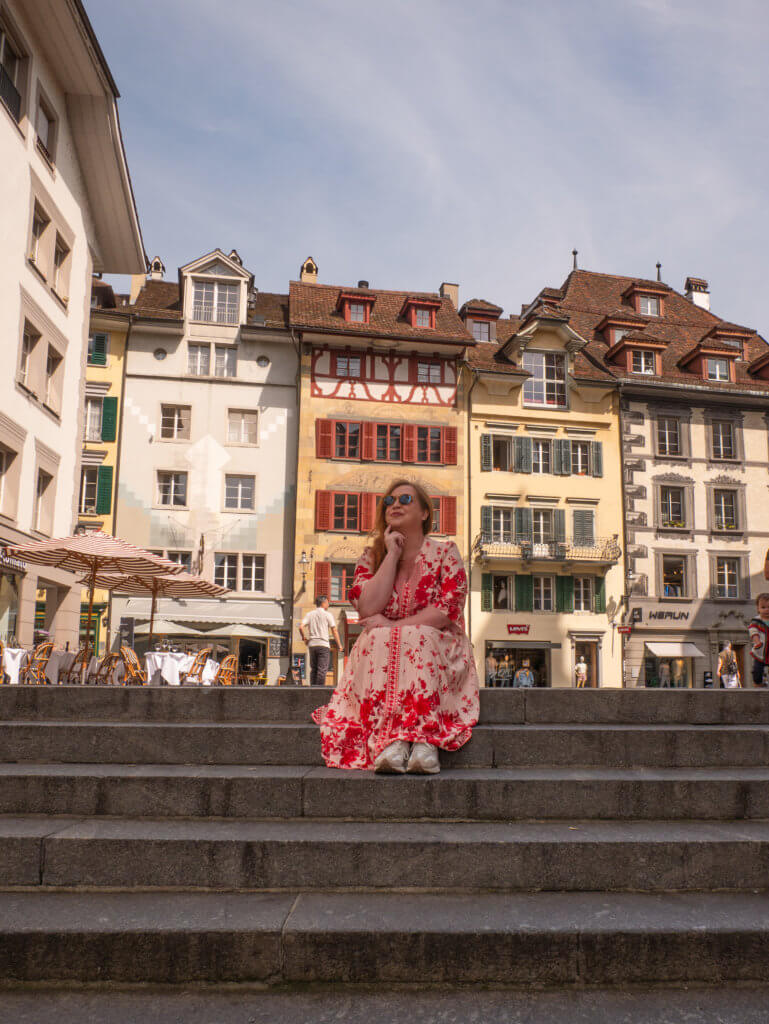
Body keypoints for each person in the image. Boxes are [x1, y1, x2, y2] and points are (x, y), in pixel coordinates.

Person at [311, 479, 479, 774]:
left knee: (418, 636)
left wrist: (393, 626)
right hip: (387, 650)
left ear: (426, 513)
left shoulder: (446, 553)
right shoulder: (372, 557)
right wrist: (391, 555)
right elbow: (366, 607)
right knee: (378, 640)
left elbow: (447, 609)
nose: (396, 505)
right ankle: (393, 741)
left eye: (405, 499)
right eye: (389, 502)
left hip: (439, 648)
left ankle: (424, 741)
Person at [299, 595, 341, 687]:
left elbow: (301, 627)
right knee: (322, 669)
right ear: (323, 603)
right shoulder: (328, 615)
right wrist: (339, 645)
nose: (328, 604)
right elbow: (334, 630)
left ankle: (312, 689)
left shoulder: (310, 614)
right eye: (327, 602)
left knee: (314, 669)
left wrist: (304, 639)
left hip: (312, 645)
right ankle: (319, 691)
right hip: (323, 644)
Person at [749, 593, 769, 688]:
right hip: (760, 651)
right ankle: (758, 683)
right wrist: (757, 642)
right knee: (757, 670)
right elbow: (753, 631)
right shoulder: (756, 621)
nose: (766, 610)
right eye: (763, 607)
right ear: (758, 608)